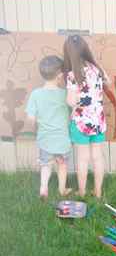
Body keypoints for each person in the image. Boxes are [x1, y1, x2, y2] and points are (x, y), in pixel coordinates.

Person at [63, 35, 110, 198]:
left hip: (81, 122)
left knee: (82, 158)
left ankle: (82, 191)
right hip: (98, 120)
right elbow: (108, 81)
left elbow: (70, 101)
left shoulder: (72, 74)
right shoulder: (97, 69)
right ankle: (97, 191)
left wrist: (74, 98)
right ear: (85, 50)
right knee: (97, 157)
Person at [26, 56, 72, 199]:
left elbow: (30, 119)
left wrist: (35, 128)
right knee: (62, 165)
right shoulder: (65, 94)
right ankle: (62, 189)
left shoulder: (35, 94)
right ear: (60, 76)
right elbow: (71, 114)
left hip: (45, 139)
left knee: (46, 165)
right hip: (62, 140)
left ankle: (43, 189)